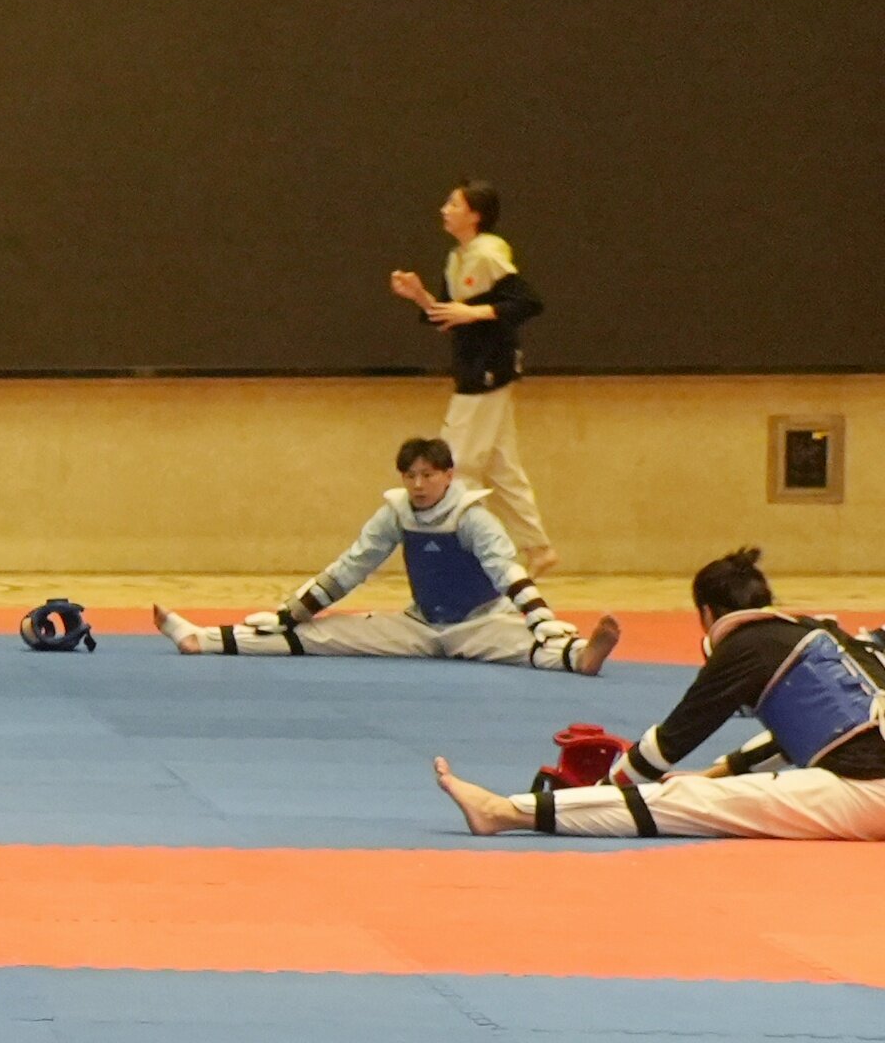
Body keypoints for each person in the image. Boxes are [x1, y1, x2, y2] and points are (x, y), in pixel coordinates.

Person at [435, 548, 885, 841]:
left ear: (706, 613)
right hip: (865, 783)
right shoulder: (822, 635)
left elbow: (668, 744)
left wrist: (607, 789)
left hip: (868, 793)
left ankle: (504, 811)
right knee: (702, 789)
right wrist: (716, 772)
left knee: (683, 802)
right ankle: (511, 811)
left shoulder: (744, 648)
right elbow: (803, 735)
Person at [155, 438, 613, 673]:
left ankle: (583, 658)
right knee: (317, 635)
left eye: (427, 475)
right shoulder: (396, 512)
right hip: (418, 626)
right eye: (410, 476)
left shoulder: (472, 516)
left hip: (481, 624)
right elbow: (352, 567)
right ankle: (202, 638)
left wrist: (538, 617)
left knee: (534, 648)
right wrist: (290, 613)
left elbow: (506, 570)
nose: (418, 485)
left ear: (449, 475)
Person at [388, 180, 552, 572]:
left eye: (454, 204)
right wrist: (419, 296)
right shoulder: (457, 258)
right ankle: (538, 548)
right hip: (469, 364)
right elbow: (447, 316)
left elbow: (528, 302)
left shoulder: (489, 254)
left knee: (453, 462)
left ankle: (471, 553)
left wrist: (475, 312)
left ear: (475, 214)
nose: (444, 210)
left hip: (489, 368)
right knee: (501, 468)